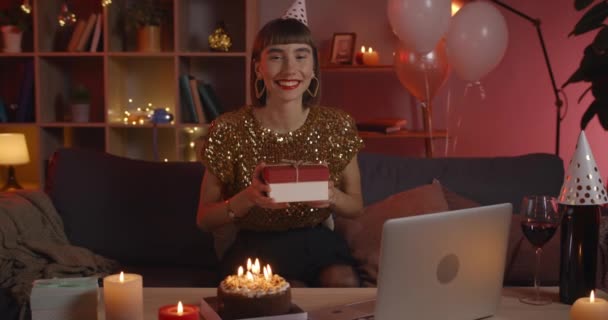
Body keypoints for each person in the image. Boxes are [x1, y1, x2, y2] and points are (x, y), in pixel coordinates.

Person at [196, 18, 364, 288]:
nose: (290, 69)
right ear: (258, 68)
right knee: (287, 292)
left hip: (316, 241)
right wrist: (248, 198)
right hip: (255, 244)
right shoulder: (229, 128)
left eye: (301, 56)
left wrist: (332, 196)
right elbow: (204, 219)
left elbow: (356, 206)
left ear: (313, 68)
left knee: (342, 280)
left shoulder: (337, 125)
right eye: (276, 57)